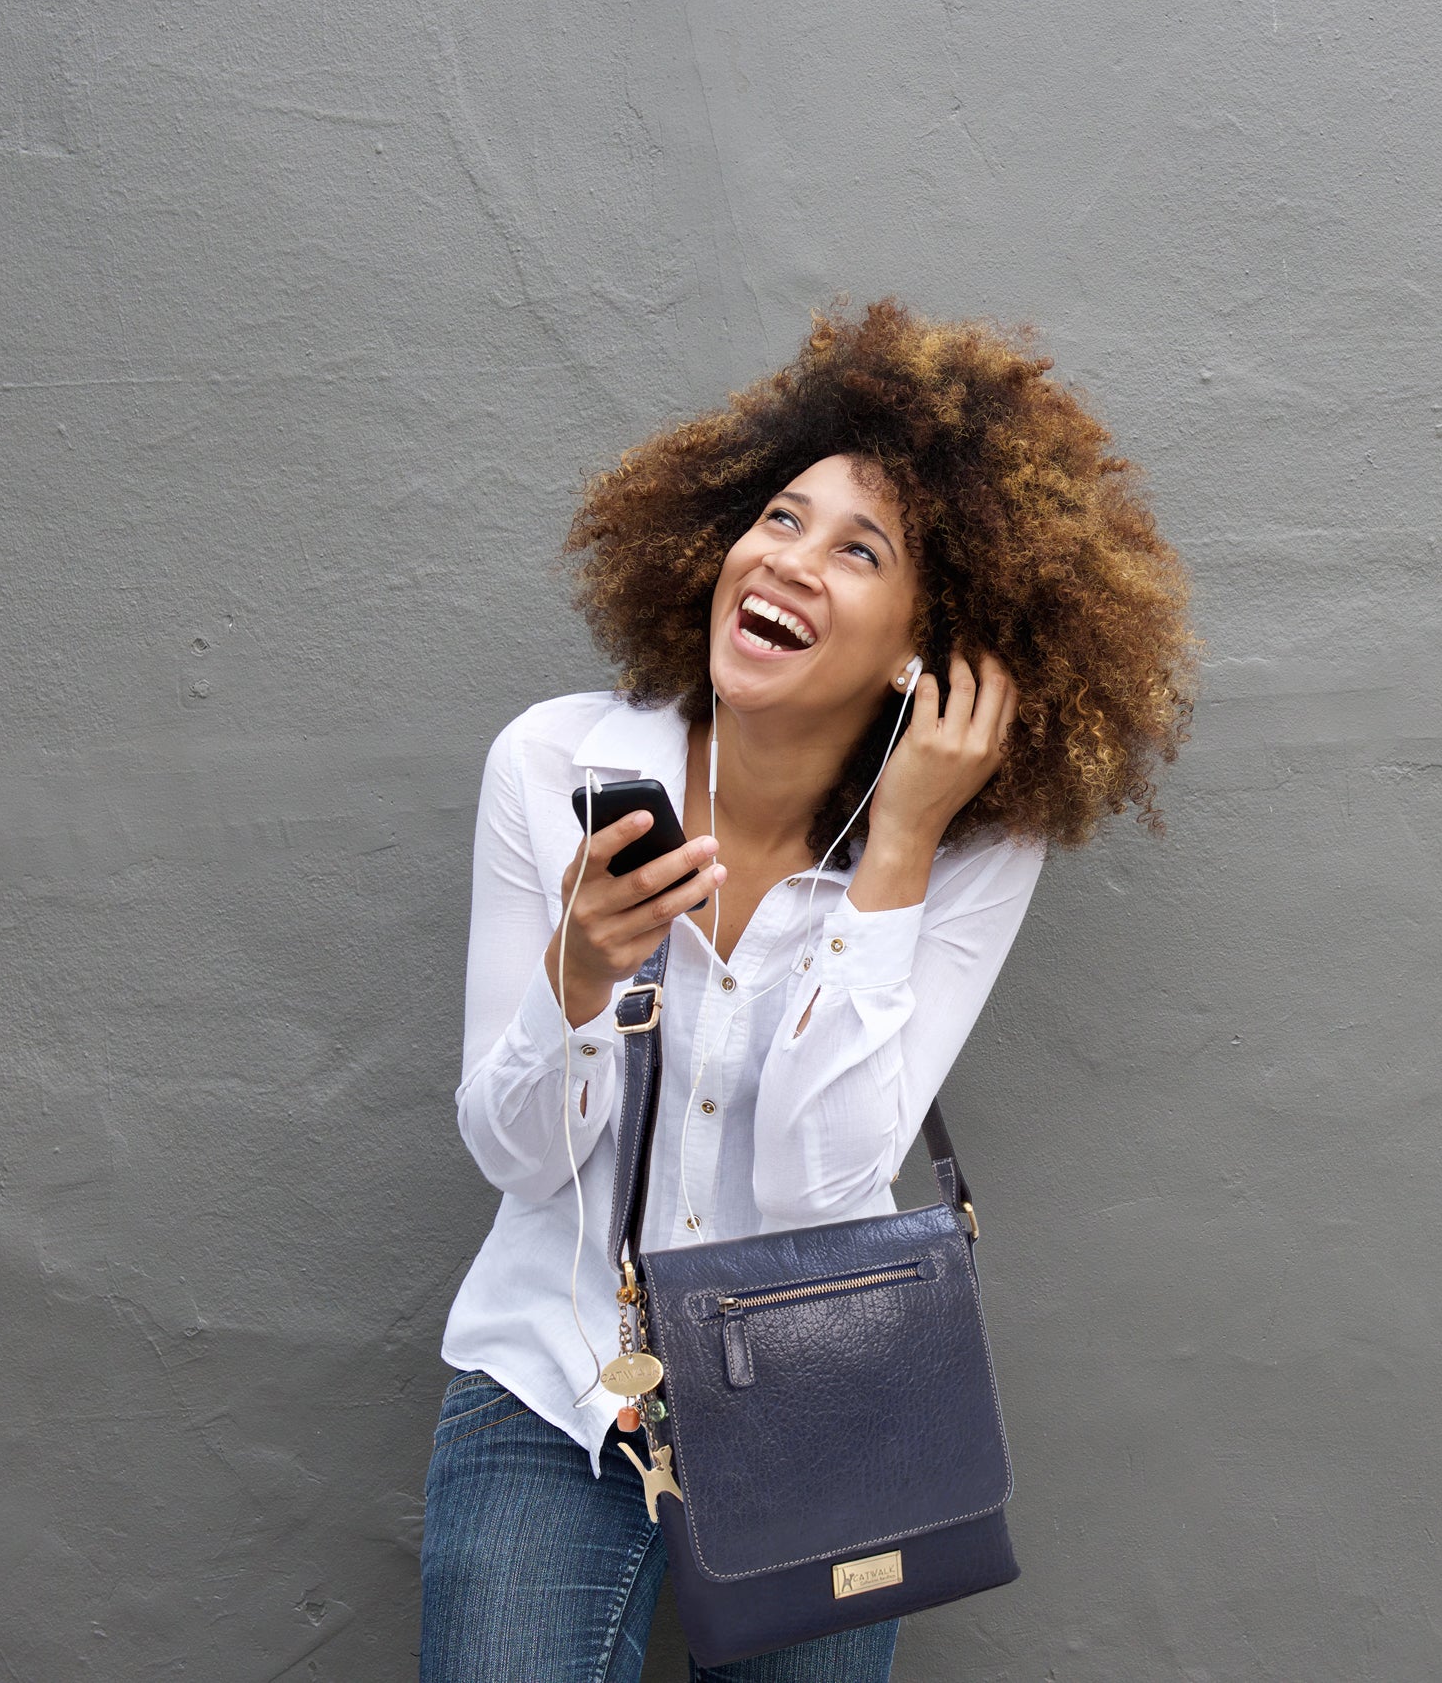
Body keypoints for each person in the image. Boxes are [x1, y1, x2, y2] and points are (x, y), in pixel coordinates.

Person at [418, 299, 1198, 1682]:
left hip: (825, 1407)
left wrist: (898, 853)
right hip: (553, 1379)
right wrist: (579, 974)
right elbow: (516, 1158)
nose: (788, 557)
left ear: (922, 647)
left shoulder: (972, 850)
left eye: (858, 547)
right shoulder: (553, 767)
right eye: (780, 517)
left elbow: (819, 1183)